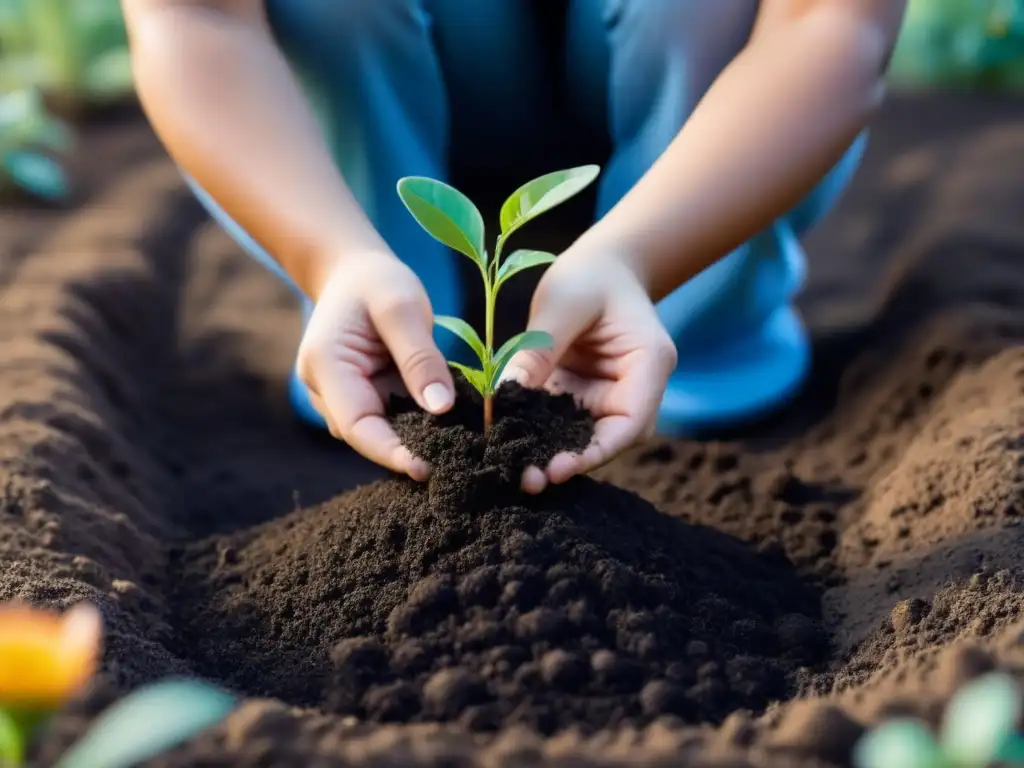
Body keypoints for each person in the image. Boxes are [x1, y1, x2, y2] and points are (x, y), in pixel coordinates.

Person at [122, 0, 906, 493]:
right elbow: (195, 16)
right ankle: (387, 310)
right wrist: (333, 256)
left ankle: (688, 314)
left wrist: (637, 256)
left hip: (697, 129)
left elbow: (829, 21)